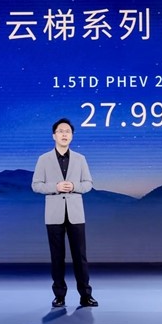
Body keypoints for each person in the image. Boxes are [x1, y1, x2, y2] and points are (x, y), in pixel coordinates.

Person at [32, 118, 98, 308]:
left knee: (80, 256)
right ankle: (59, 295)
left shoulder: (80, 159)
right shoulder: (44, 159)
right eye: (60, 131)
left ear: (72, 136)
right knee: (57, 256)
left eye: (67, 131)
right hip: (54, 214)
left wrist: (74, 186)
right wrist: (56, 186)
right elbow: (36, 185)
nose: (64, 134)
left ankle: (86, 295)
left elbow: (88, 183)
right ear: (54, 136)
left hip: (76, 213)